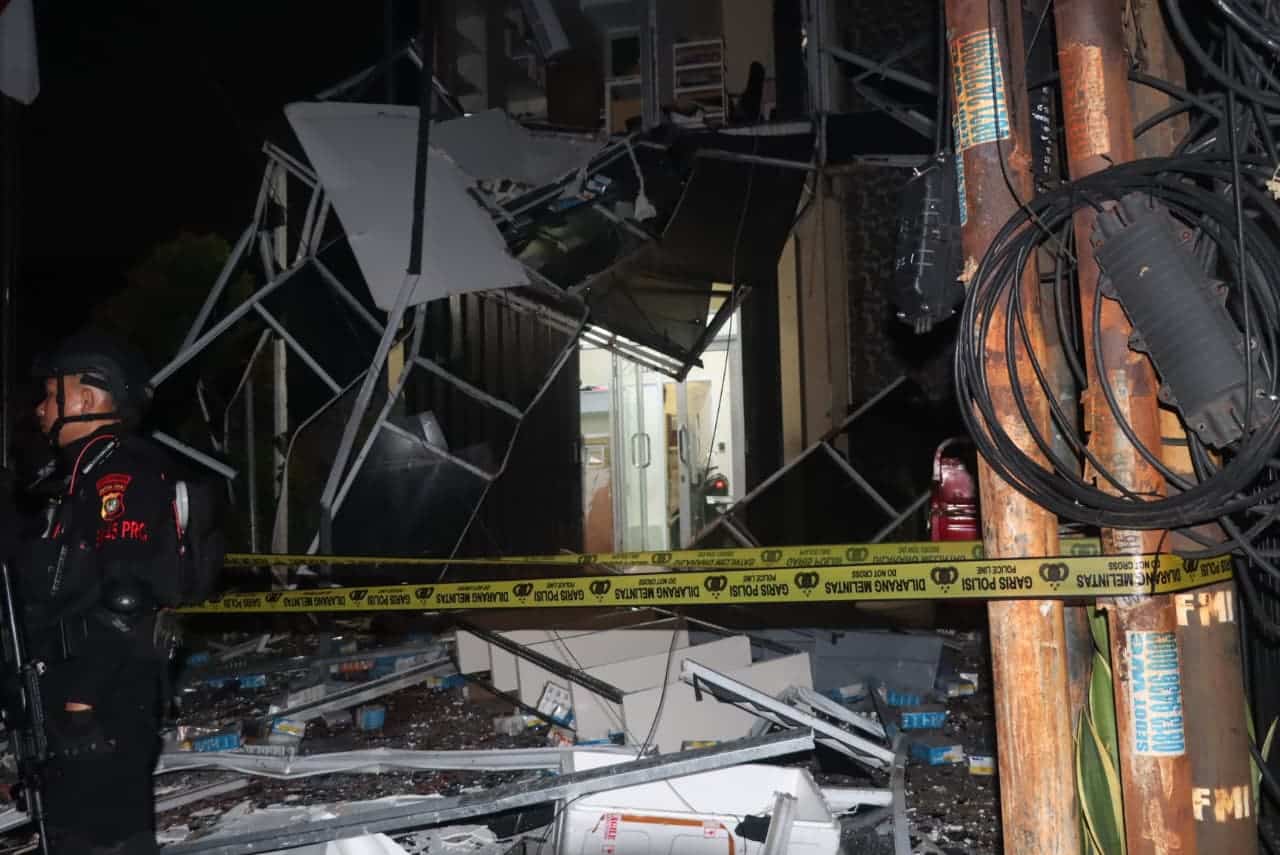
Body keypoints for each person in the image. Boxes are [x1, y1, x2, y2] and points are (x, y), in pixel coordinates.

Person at [15, 330, 180, 854]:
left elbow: (126, 597)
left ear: (85, 400)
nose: (41, 409)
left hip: (104, 704)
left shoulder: (121, 473)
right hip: (77, 701)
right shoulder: (75, 478)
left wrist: (80, 705)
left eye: (50, 394)